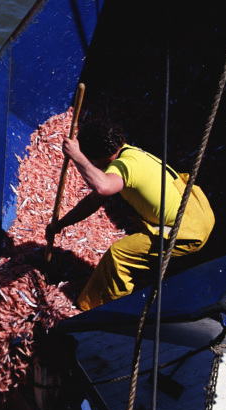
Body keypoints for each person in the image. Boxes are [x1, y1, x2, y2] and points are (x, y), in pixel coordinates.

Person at [47, 119, 215, 311]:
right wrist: (60, 224)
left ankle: (95, 309)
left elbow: (102, 187)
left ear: (97, 158)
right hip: (200, 213)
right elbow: (94, 200)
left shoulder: (125, 165)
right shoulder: (134, 153)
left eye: (93, 162)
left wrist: (77, 156)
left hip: (188, 230)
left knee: (119, 254)